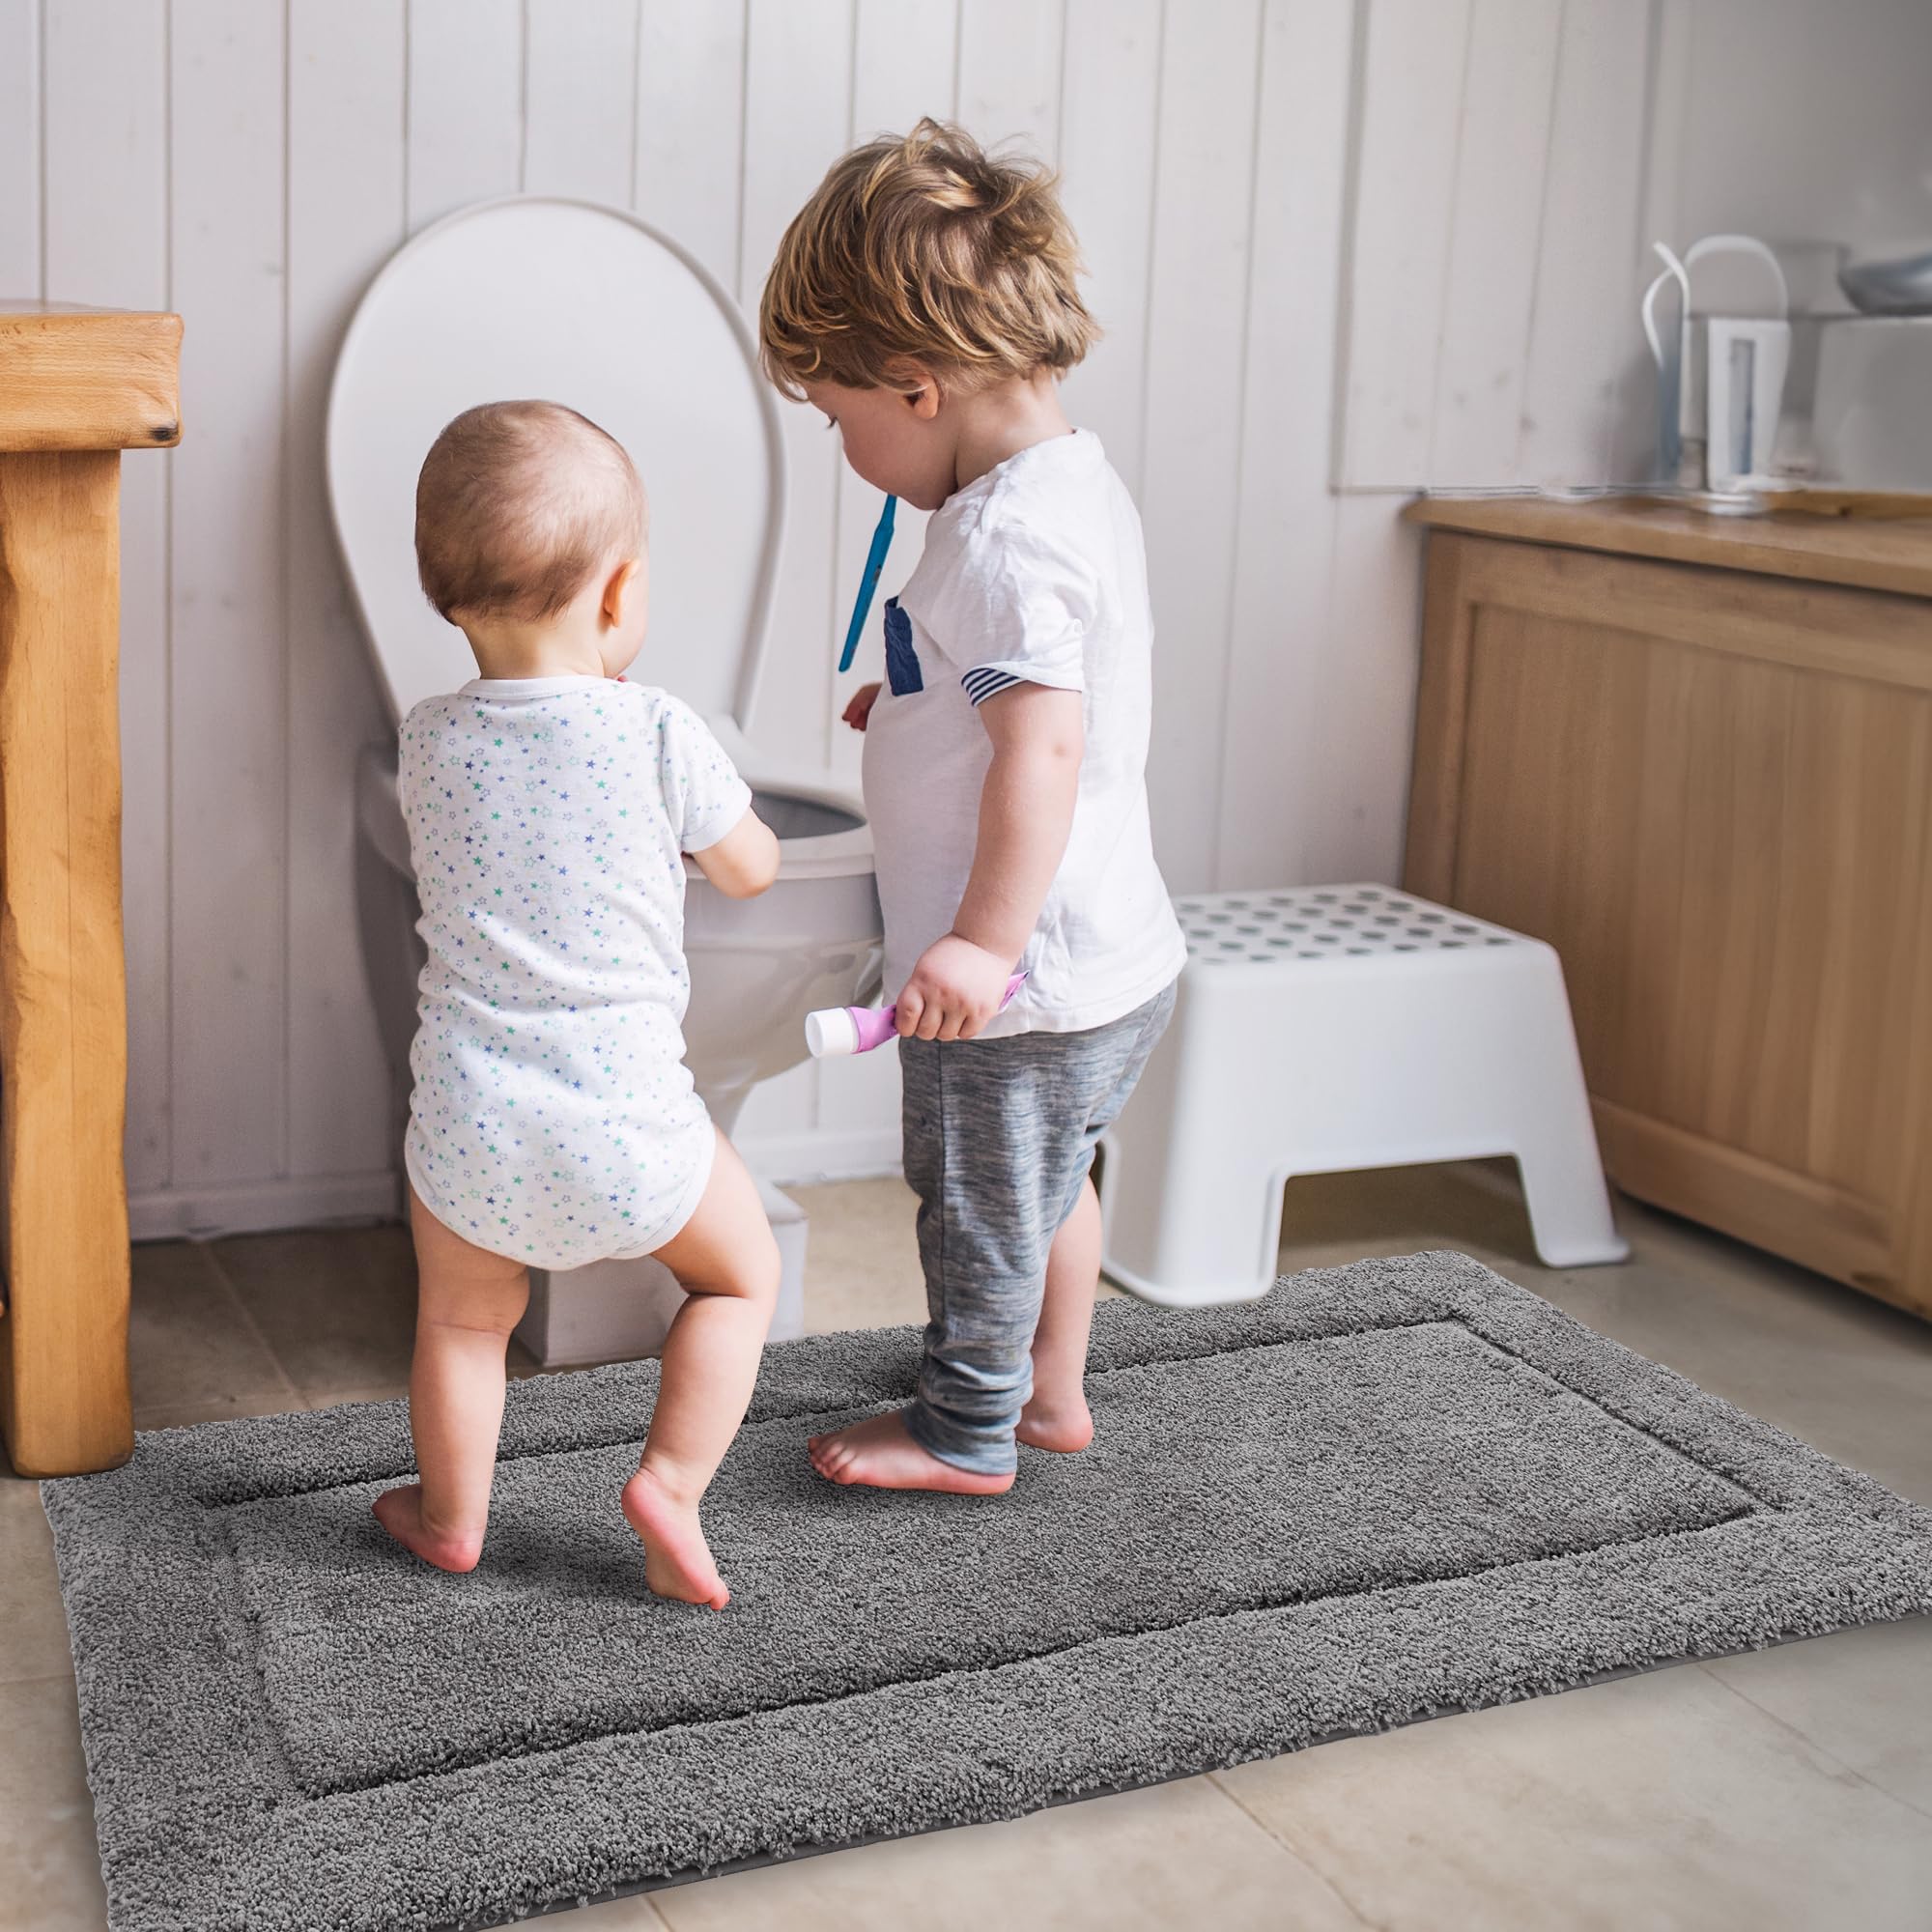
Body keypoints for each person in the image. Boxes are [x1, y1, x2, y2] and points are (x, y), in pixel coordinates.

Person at [759, 120, 1187, 1494]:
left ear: (918, 385)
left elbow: (1042, 749)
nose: (845, 446)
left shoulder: (1000, 537)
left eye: (841, 419)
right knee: (1047, 1184)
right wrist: (914, 702)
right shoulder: (1064, 485)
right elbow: (1033, 696)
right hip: (1105, 956)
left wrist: (979, 945)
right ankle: (1048, 1391)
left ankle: (966, 1430)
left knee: (979, 1207)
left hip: (1019, 980)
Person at [374, 399, 781, 1607]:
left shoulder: (427, 739)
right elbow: (753, 867)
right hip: (628, 1125)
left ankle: (451, 1517)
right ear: (618, 595)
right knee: (737, 1278)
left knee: (461, 1324)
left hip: (472, 1131)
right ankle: (669, 1482)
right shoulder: (655, 728)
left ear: (444, 597)